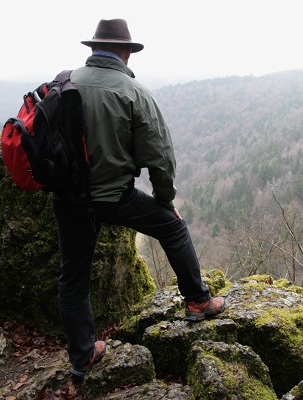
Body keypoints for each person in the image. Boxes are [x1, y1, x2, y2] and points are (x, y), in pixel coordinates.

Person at [52, 18, 227, 379]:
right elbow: (159, 157)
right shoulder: (134, 93)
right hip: (115, 197)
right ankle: (198, 300)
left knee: (73, 277)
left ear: (93, 50)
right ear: (126, 52)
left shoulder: (63, 82)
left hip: (68, 199)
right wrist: (166, 200)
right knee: (172, 228)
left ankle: (83, 355)